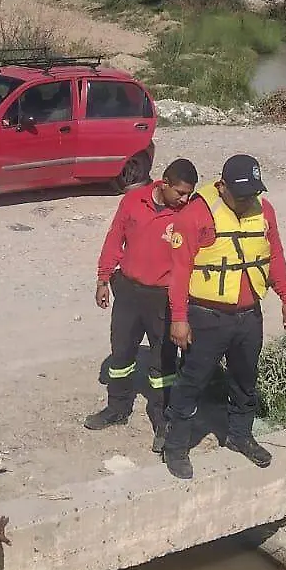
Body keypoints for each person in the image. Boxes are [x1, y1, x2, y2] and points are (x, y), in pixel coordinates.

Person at [161, 154, 286, 480]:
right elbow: (179, 273)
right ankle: (176, 446)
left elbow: (274, 254)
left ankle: (240, 435)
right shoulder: (195, 215)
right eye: (241, 195)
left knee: (245, 379)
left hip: (249, 315)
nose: (248, 200)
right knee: (192, 381)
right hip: (207, 315)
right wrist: (179, 319)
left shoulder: (264, 212)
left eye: (253, 193)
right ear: (221, 187)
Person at [86, 158, 199, 452]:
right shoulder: (134, 200)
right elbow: (114, 239)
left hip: (162, 297)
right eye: (180, 192)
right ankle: (117, 408)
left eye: (189, 194)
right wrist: (103, 279)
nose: (184, 199)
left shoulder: (189, 213)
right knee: (121, 354)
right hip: (128, 290)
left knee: (163, 363)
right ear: (163, 184)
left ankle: (163, 419)